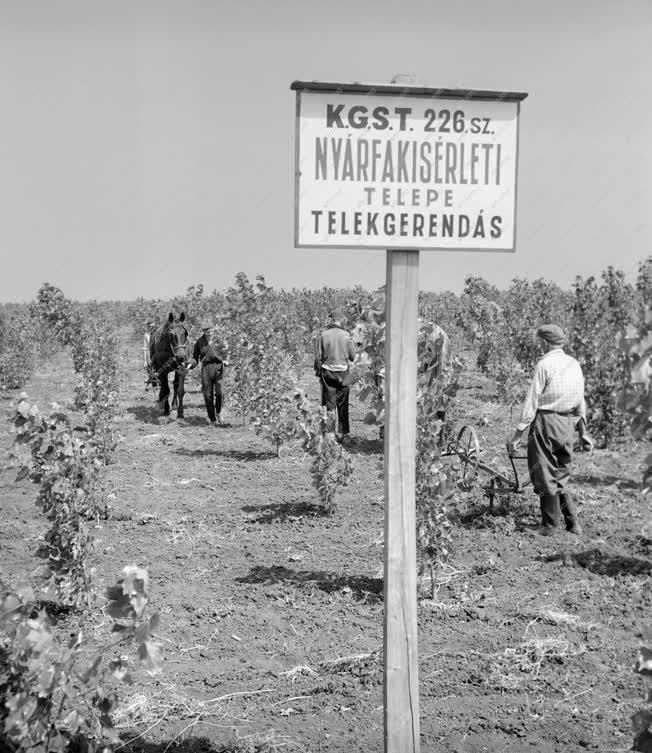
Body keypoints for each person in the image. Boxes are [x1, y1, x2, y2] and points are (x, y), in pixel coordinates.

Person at [507, 324, 594, 536]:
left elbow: (532, 401)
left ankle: (549, 525)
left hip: (545, 422)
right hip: (567, 424)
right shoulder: (574, 364)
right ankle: (573, 523)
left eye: (540, 341)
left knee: (544, 472)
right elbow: (580, 399)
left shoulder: (544, 364)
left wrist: (518, 434)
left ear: (545, 341)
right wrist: (583, 432)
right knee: (561, 473)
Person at [314, 309, 356, 445]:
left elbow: (318, 357)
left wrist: (318, 372)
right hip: (343, 371)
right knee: (343, 404)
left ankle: (330, 435)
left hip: (328, 371)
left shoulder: (324, 335)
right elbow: (353, 356)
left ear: (330, 319)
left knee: (328, 404)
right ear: (341, 319)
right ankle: (344, 435)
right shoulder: (347, 335)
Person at [191, 320, 227, 426]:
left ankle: (219, 412)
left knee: (220, 392)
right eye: (207, 331)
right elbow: (195, 358)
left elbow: (226, 352)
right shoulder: (199, 342)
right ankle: (212, 419)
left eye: (211, 331)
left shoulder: (220, 341)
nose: (210, 333)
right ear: (203, 331)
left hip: (219, 367)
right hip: (206, 368)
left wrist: (226, 360)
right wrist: (190, 365)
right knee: (208, 394)